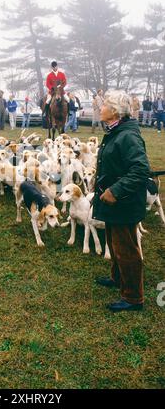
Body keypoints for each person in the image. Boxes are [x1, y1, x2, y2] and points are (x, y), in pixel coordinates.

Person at [92, 91, 150, 312]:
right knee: (114, 241)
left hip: (123, 201)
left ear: (115, 111)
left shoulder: (128, 136)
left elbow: (140, 170)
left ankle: (133, 297)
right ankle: (118, 278)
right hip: (115, 202)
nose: (101, 107)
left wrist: (115, 191)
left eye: (105, 104)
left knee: (126, 248)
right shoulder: (117, 131)